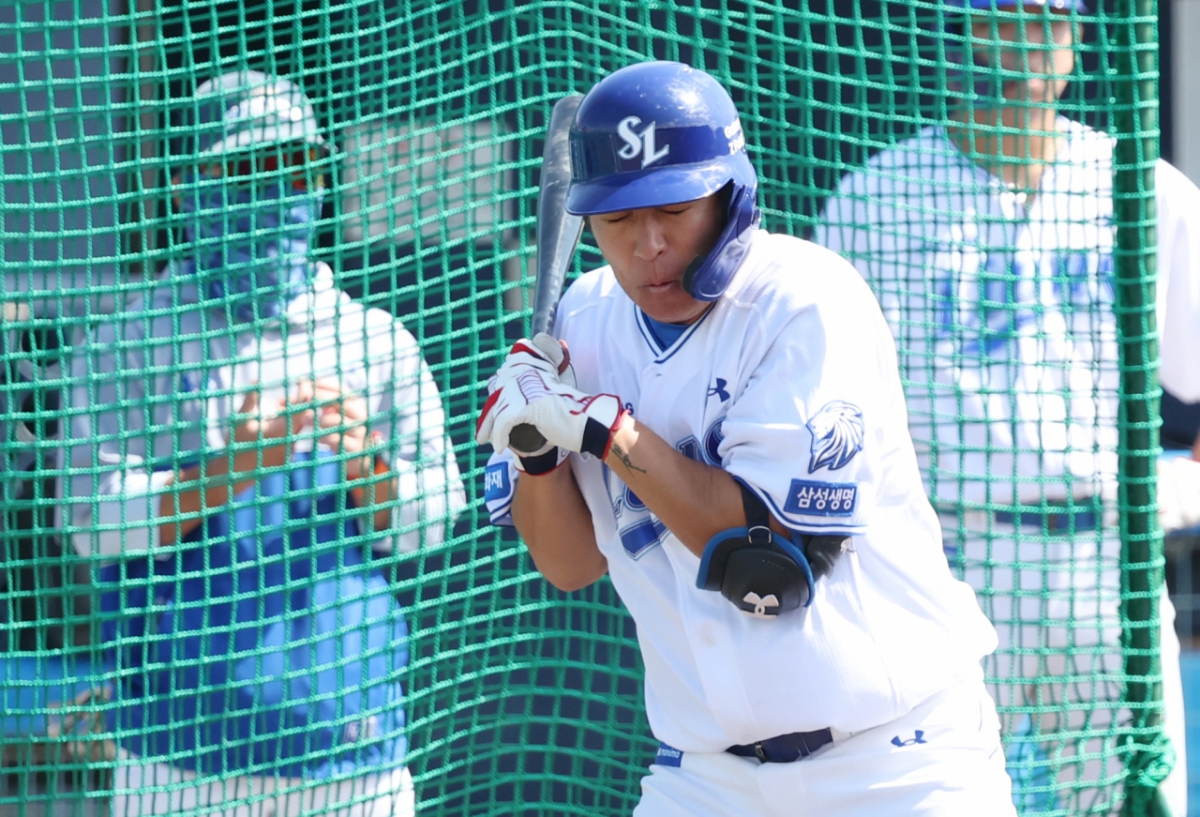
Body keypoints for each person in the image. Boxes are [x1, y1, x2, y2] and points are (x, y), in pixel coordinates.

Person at [476, 60, 1015, 816]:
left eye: (674, 207)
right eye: (619, 218)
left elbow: (764, 551)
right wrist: (540, 455)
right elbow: (568, 565)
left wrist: (606, 430)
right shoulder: (582, 323)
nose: (649, 244)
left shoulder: (804, 300)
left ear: (731, 196)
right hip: (706, 775)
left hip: (895, 760)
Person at [814, 1, 1200, 813]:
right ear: (967, 28)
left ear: (1079, 34)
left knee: (1131, 800)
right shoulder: (875, 196)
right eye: (1006, 17)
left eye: (1049, 18)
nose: (1029, 42)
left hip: (1108, 561)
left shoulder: (1146, 186)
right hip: (945, 555)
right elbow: (832, 406)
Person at [64, 71, 465, 816]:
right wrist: (235, 467)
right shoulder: (125, 342)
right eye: (246, 169)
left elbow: (432, 519)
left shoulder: (376, 341)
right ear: (187, 186)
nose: (275, 193)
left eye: (297, 170)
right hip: (176, 757)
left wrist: (364, 462)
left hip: (348, 752)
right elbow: (92, 524)